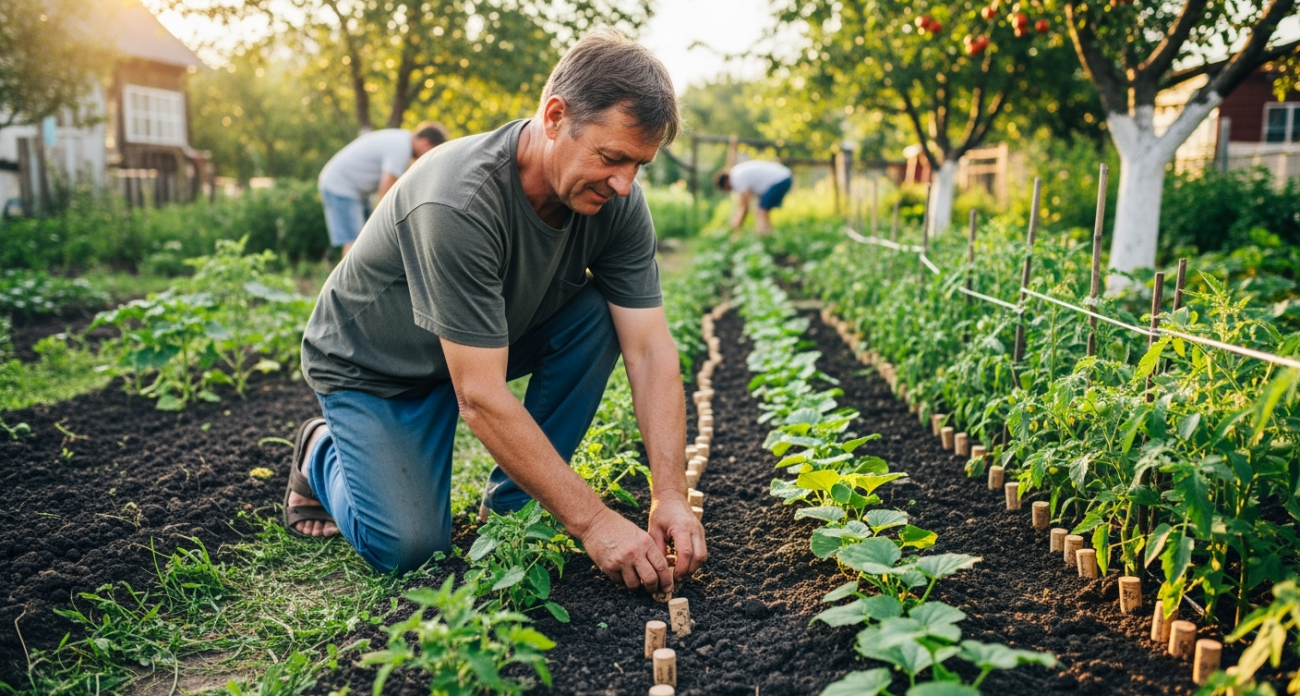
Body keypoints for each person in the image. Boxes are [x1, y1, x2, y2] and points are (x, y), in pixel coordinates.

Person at [284, 28, 706, 596]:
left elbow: (651, 350)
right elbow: (480, 395)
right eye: (611, 158)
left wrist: (670, 494)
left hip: (480, 343)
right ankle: (320, 452)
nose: (625, 184)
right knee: (410, 550)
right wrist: (594, 522)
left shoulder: (614, 203)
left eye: (639, 165)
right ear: (555, 116)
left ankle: (513, 510)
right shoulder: (459, 199)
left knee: (605, 314)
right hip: (378, 367)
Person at [317, 122, 449, 256]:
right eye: (431, 151)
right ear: (425, 143)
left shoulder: (402, 141)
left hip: (355, 191)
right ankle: (349, 277)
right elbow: (384, 196)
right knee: (355, 243)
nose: (427, 157)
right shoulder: (401, 148)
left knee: (366, 241)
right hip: (341, 186)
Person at [714, 158, 793, 235]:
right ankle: (766, 234)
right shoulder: (736, 172)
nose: (730, 190)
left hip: (780, 179)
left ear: (726, 184)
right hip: (783, 176)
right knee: (762, 209)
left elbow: (745, 205)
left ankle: (764, 236)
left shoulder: (736, 180)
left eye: (727, 189)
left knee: (761, 210)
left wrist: (737, 225)